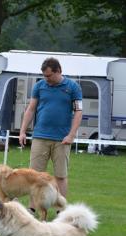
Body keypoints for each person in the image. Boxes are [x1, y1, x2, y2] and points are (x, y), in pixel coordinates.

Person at [18, 57, 82, 205]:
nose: (46, 79)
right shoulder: (39, 86)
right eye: (44, 76)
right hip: (40, 136)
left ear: (58, 71)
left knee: (60, 175)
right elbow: (31, 109)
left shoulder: (73, 87)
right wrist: (22, 131)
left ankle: (61, 210)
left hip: (62, 139)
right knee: (34, 176)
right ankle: (32, 209)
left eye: (49, 75)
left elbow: (78, 112)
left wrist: (71, 135)